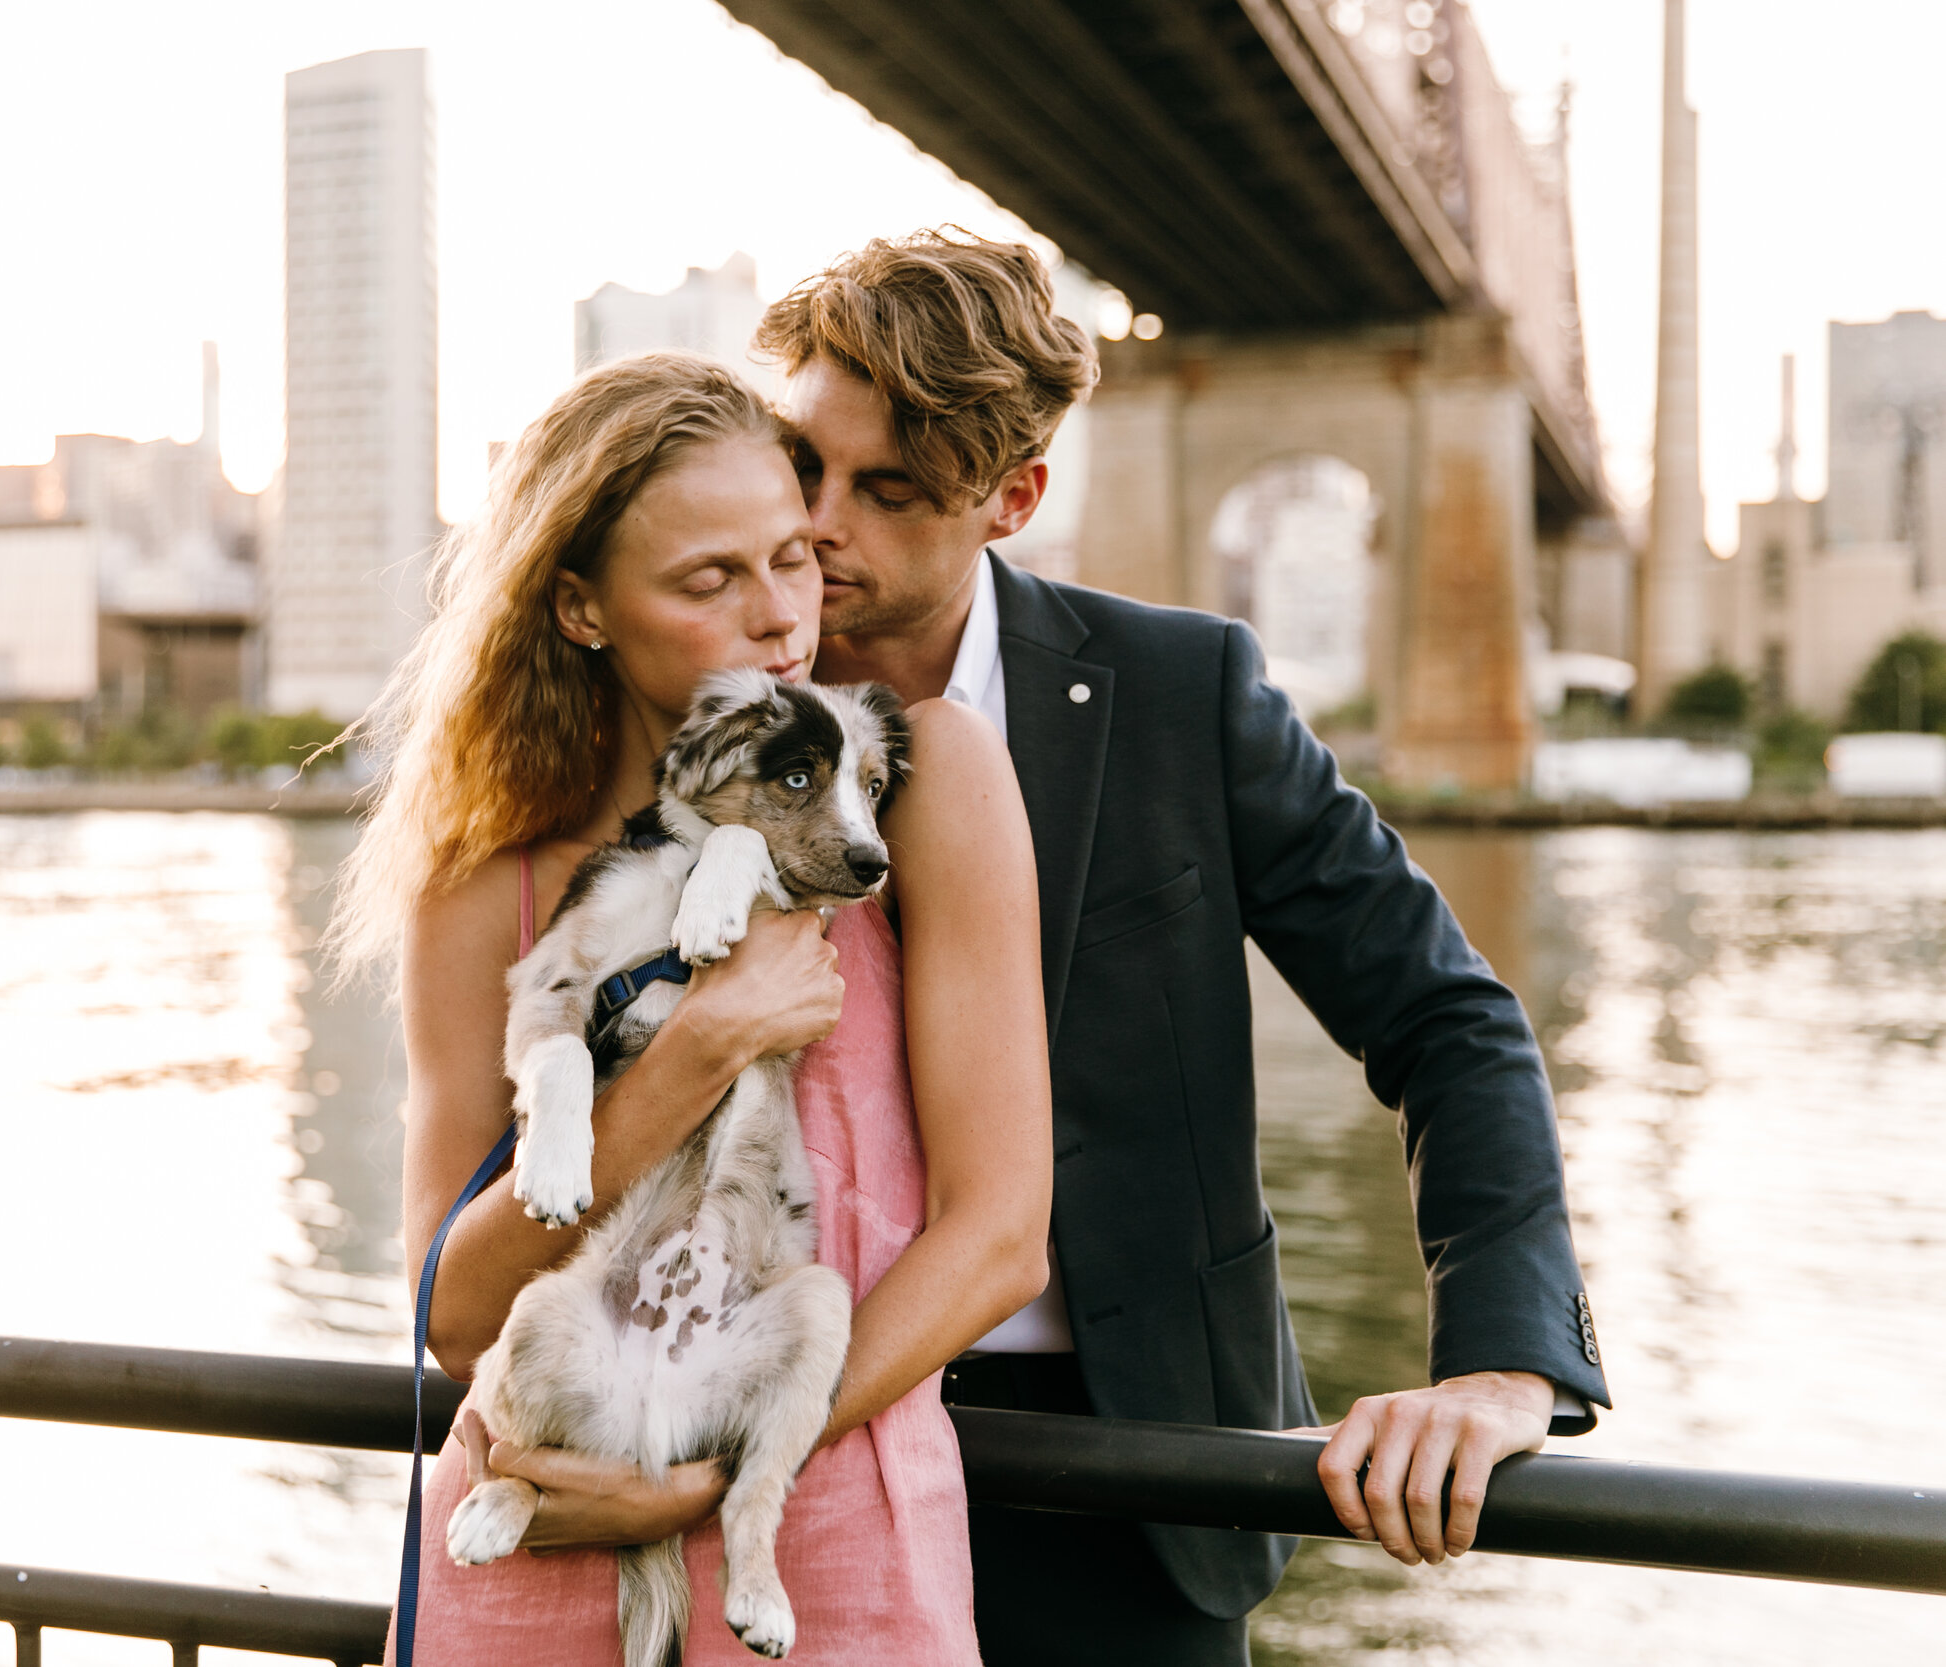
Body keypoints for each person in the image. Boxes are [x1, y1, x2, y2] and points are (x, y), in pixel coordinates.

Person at [755, 229, 1616, 1666]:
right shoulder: (703, 700)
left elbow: (1449, 1020)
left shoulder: (1180, 692)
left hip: (1140, 1480)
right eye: (801, 465)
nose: (820, 524)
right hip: (788, 1468)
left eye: (889, 489)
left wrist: (1503, 1365)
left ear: (1013, 499)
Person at [330, 350, 1053, 1663]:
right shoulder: (489, 878)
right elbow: (455, 1313)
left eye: (790, 557)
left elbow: (1003, 1238)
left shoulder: (926, 778)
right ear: (582, 608)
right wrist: (701, 1045)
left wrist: (718, 1476)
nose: (781, 616)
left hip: (821, 1551)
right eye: (709, 581)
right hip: (534, 1545)